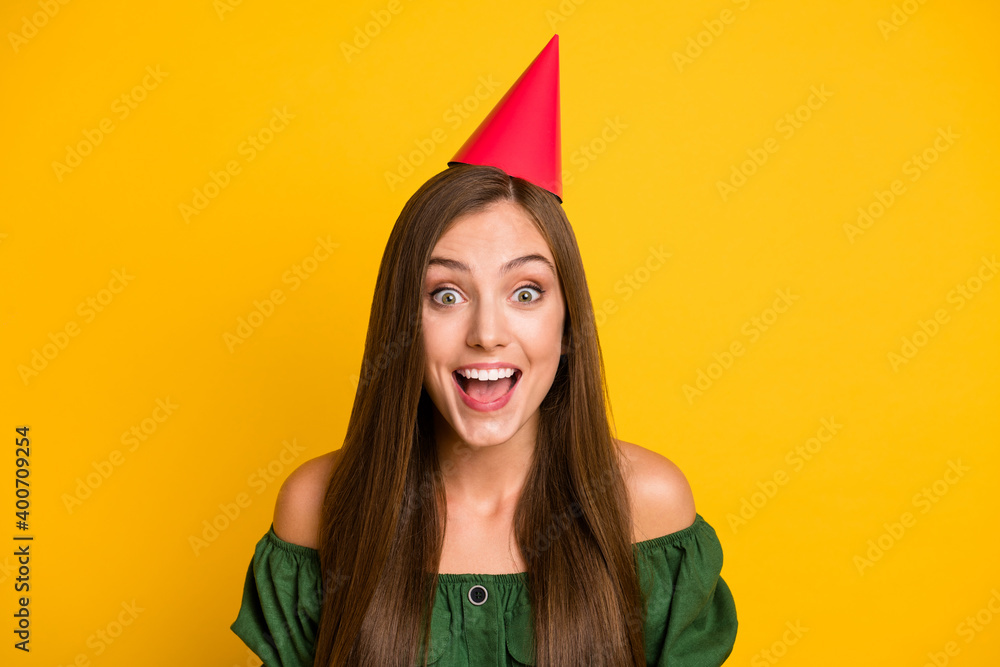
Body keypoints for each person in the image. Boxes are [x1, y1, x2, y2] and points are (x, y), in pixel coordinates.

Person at [231, 36, 737, 667]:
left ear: (566, 318)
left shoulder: (648, 505)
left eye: (526, 291)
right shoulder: (318, 506)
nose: (487, 332)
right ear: (401, 321)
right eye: (446, 295)